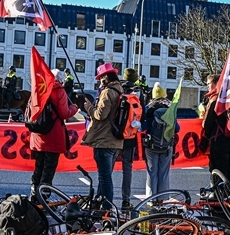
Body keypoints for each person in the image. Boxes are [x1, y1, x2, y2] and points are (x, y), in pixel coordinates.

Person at [30, 70, 80, 196]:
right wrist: (74, 108)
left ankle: (33, 195)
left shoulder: (38, 89)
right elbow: (64, 113)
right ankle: (43, 197)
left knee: (38, 168)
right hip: (53, 136)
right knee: (48, 170)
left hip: (38, 135)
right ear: (60, 79)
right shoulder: (59, 91)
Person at [81, 63, 124, 205]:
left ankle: (107, 206)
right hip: (116, 140)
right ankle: (101, 201)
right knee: (105, 176)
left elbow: (100, 115)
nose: (99, 81)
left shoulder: (107, 92)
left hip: (104, 139)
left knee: (105, 177)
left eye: (100, 78)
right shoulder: (119, 89)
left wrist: (89, 108)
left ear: (105, 77)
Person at [201, 73, 230, 185]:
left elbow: (208, 123)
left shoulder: (216, 100)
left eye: (208, 84)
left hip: (219, 139)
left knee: (218, 170)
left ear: (215, 84)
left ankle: (218, 195)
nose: (207, 86)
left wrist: (205, 139)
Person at [142, 82, 179, 197]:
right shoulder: (170, 108)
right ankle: (162, 198)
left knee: (152, 173)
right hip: (167, 146)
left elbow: (143, 127)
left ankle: (151, 198)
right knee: (163, 173)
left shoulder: (149, 108)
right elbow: (177, 128)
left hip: (152, 145)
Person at [118, 67, 147, 210]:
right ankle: (126, 200)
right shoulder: (138, 93)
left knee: (107, 169)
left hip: (115, 135)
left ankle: (104, 198)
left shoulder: (118, 89)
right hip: (131, 136)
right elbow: (143, 116)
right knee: (127, 168)